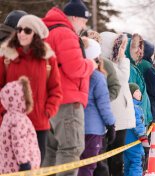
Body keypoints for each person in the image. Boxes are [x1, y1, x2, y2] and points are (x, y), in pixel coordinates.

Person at [42, 0, 96, 175]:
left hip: (49, 101)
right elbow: (75, 68)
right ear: (74, 17)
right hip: (67, 101)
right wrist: (90, 65)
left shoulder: (48, 31)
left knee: (51, 151)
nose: (84, 25)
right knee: (71, 149)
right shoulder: (65, 33)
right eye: (83, 20)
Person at [0, 14, 62, 163]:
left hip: (39, 124)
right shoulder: (7, 57)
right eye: (19, 29)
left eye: (27, 30)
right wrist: (2, 114)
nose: (21, 33)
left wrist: (48, 111)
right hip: (11, 125)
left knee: (35, 167)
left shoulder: (48, 59)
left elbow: (56, 90)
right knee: (12, 167)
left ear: (36, 34)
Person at [78, 39, 116, 176]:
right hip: (93, 130)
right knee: (88, 167)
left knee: (78, 166)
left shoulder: (76, 74)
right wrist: (111, 124)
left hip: (76, 126)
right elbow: (104, 105)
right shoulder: (97, 77)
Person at [100, 32, 135, 176]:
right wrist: (124, 59)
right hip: (115, 116)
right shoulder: (107, 63)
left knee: (117, 157)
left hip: (120, 116)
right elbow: (123, 78)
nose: (123, 50)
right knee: (114, 158)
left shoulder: (115, 63)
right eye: (120, 46)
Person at [0, 76, 40, 173]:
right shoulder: (19, 119)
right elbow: (19, 142)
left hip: (8, 167)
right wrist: (24, 163)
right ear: (22, 98)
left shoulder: (8, 117)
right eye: (28, 94)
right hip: (19, 168)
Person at [124, 83, 149, 176]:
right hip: (134, 140)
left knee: (128, 164)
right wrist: (144, 138)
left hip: (125, 141)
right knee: (137, 162)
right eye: (136, 91)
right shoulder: (135, 107)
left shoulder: (127, 106)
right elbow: (138, 124)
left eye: (139, 91)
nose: (140, 93)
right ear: (130, 94)